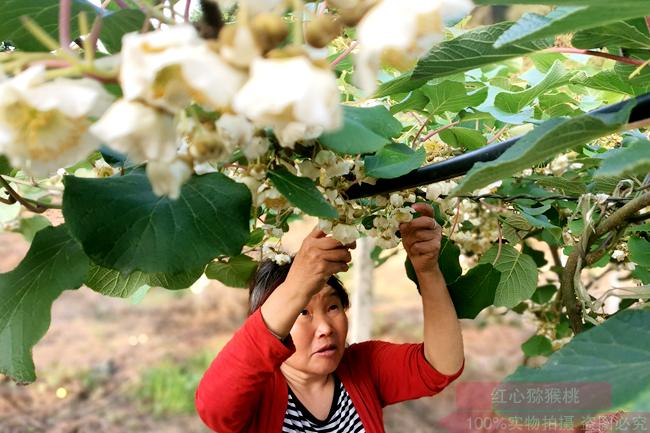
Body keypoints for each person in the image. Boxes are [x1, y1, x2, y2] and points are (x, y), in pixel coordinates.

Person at [195, 203, 465, 432]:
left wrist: (427, 271)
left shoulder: (362, 367)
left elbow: (440, 367)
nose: (325, 327)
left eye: (333, 307)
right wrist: (295, 287)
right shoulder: (258, 394)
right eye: (303, 312)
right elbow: (214, 408)